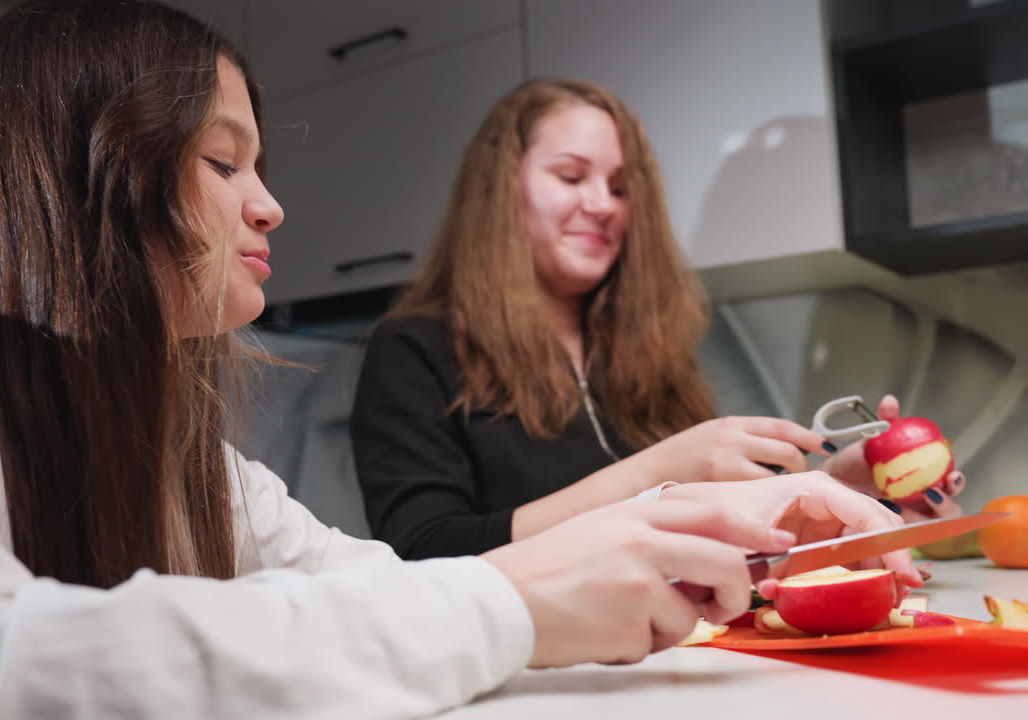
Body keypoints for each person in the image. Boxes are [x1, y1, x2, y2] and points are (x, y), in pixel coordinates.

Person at [0, 3, 918, 718]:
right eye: (224, 161)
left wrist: (694, 520)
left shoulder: (187, 455)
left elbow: (365, 584)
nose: (269, 205)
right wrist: (509, 600)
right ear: (94, 169)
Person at [351, 78, 963, 561]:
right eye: (571, 176)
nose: (602, 205)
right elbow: (421, 553)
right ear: (498, 190)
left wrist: (831, 497)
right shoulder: (414, 350)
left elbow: (714, 541)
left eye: (621, 187)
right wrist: (657, 474)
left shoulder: (647, 353)